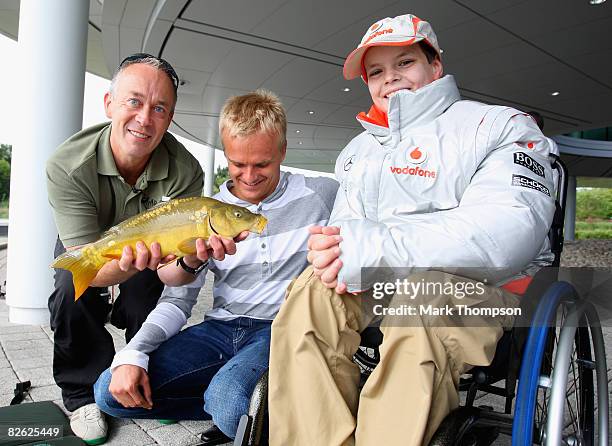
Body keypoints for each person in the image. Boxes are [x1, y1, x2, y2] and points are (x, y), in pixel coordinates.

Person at [268, 14, 558, 446]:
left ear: (435, 66)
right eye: (377, 72)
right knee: (310, 292)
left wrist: (374, 246)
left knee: (423, 299)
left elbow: (506, 234)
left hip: (485, 291)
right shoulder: (357, 151)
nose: (390, 80)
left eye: (404, 63)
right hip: (385, 289)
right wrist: (333, 258)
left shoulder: (498, 127)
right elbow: (350, 239)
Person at [92, 90, 339, 444]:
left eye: (263, 164)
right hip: (221, 330)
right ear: (226, 153)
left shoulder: (323, 194)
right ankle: (244, 401)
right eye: (238, 164)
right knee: (109, 391)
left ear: (283, 151)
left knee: (229, 400)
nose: (249, 176)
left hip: (283, 327)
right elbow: (176, 301)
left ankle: (238, 400)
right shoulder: (206, 211)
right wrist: (133, 353)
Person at [46, 53, 204, 445]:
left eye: (160, 108)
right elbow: (90, 263)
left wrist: (186, 259)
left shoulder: (187, 170)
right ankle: (82, 395)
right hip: (90, 241)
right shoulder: (67, 165)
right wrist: (123, 267)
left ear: (169, 118)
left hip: (152, 248)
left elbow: (174, 276)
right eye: (134, 101)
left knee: (149, 296)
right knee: (71, 291)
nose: (145, 118)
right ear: (109, 104)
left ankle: (145, 376)